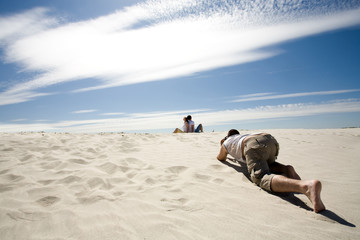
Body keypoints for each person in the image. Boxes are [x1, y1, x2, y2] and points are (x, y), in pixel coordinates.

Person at [217, 129, 325, 213]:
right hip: (268, 139)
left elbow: (220, 158)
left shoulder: (227, 142)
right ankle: (286, 169)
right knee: (268, 164)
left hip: (252, 144)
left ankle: (305, 186)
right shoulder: (240, 137)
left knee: (261, 177)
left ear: (227, 136)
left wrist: (222, 143)